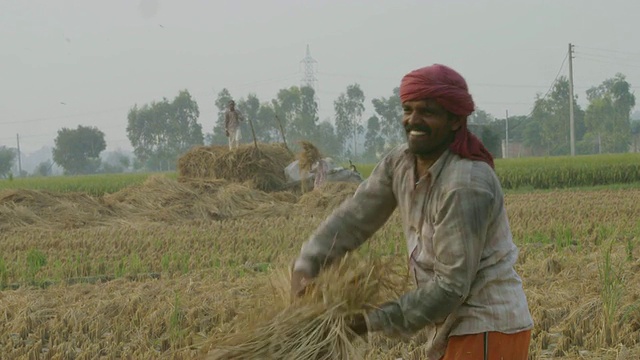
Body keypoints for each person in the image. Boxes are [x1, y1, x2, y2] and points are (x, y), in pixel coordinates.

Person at [290, 64, 534, 359]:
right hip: (451, 327)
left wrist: (369, 321)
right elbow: (354, 218)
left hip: (487, 327)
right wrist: (308, 262)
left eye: (427, 112)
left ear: (455, 119)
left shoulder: (465, 184)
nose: (413, 120)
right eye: (408, 109)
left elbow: (451, 287)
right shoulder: (400, 164)